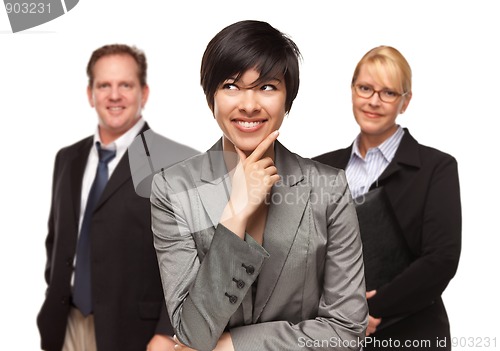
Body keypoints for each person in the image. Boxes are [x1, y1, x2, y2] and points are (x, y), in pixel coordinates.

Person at [151, 20, 368, 351]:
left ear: (287, 99)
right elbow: (191, 333)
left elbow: (346, 330)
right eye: (231, 86)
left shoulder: (330, 188)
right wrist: (236, 214)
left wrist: (232, 345)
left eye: (267, 87)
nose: (249, 105)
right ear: (211, 96)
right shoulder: (172, 190)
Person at [37, 44, 198, 351]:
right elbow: (56, 239)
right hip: (65, 326)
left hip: (136, 333)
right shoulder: (67, 158)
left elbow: (194, 259)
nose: (114, 95)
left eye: (125, 85)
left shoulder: (175, 163)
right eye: (104, 85)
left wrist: (167, 332)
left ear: (144, 93)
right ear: (90, 94)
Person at [313, 46, 461, 350]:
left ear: (405, 102)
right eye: (365, 88)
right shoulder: (319, 168)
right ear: (352, 91)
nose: (373, 101)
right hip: (330, 334)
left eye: (388, 93)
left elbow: (441, 259)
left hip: (410, 334)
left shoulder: (436, 167)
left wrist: (374, 308)